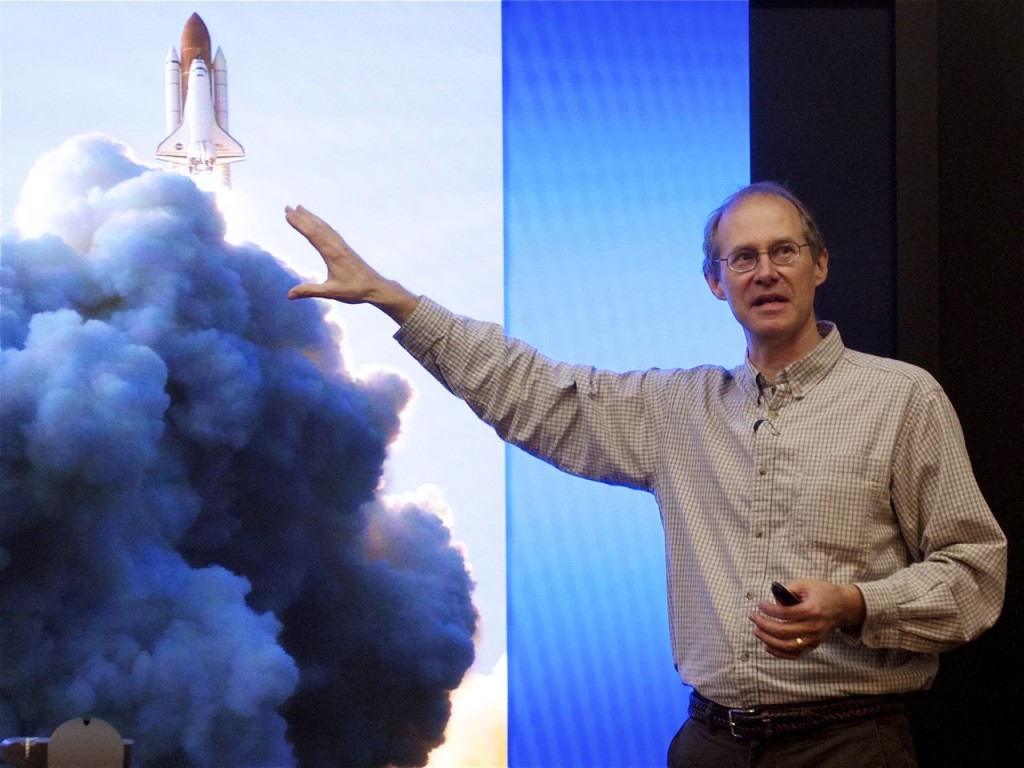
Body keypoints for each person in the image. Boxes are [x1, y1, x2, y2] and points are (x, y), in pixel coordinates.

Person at [283, 182, 1006, 767]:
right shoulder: (676, 412)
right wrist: (394, 301)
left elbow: (975, 575)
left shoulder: (901, 398)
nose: (765, 271)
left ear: (819, 265)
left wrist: (854, 603)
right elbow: (532, 390)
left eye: (784, 251)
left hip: (851, 745)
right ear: (716, 282)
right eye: (743, 258)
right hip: (710, 746)